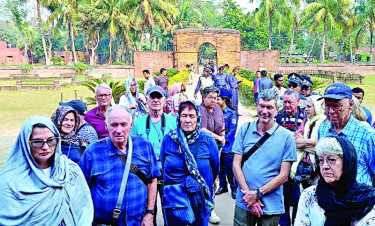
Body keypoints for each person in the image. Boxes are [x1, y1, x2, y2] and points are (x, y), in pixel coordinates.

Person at [0, 116, 93, 225]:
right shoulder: (10, 180)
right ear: (25, 143)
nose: (45, 147)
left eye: (51, 140)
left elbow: (84, 209)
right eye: (37, 142)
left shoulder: (70, 171)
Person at [79, 105, 160, 226]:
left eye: (123, 124)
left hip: (138, 222)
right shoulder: (92, 152)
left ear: (131, 125)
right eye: (114, 125)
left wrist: (149, 214)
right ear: (106, 125)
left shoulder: (145, 146)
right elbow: (81, 190)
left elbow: (152, 180)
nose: (118, 130)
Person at [232, 89, 297, 226]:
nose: (264, 111)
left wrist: (257, 194)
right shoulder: (245, 129)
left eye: (269, 107)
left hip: (270, 205)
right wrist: (249, 194)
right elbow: (236, 165)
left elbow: (284, 175)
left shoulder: (286, 137)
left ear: (277, 109)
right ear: (257, 105)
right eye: (262, 106)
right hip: (244, 200)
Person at [161, 100, 220, 226]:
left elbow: (215, 169)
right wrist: (183, 183)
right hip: (175, 201)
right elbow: (163, 166)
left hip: (200, 199)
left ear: (198, 118)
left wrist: (200, 182)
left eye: (192, 116)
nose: (188, 120)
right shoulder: (169, 139)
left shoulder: (207, 139)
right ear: (178, 117)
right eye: (184, 116)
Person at [295, 137, 375, 225]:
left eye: (331, 159)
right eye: (321, 160)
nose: (324, 166)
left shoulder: (367, 199)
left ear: (347, 162)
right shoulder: (310, 195)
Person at [131, 85, 177, 225]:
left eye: (159, 97)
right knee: (148, 211)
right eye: (152, 97)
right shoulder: (138, 123)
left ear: (164, 100)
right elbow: (132, 148)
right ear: (146, 100)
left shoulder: (173, 121)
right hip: (145, 174)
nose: (156, 100)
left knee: (171, 210)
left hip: (168, 172)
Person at [318, 83, 375, 186]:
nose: (330, 111)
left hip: (358, 198)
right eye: (327, 106)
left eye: (336, 106)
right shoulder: (323, 128)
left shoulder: (366, 133)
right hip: (330, 197)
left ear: (351, 104)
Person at [276, 89, 306, 226]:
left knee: (297, 198)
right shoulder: (279, 115)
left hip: (299, 165)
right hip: (282, 163)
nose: (287, 105)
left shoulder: (304, 115)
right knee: (283, 196)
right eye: (284, 101)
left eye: (290, 102)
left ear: (298, 101)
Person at [291, 95, 326, 188]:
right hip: (303, 168)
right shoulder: (306, 122)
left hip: (318, 169)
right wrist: (313, 142)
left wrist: (303, 143)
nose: (306, 109)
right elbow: (294, 142)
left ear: (317, 107)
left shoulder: (325, 123)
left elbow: (323, 148)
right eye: (305, 106)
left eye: (309, 107)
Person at [215, 88, 238, 199]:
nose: (216, 101)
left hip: (228, 146)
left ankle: (233, 188)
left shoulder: (231, 113)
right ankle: (222, 186)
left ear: (224, 100)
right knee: (220, 168)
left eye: (218, 99)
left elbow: (232, 130)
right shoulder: (215, 112)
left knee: (230, 169)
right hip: (218, 146)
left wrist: (222, 139)